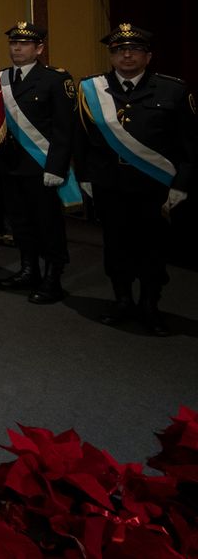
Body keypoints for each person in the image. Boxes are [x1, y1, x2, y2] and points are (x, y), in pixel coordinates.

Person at [76, 23, 196, 336]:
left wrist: (181, 184)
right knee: (116, 246)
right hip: (110, 185)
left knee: (152, 248)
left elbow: (190, 146)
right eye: (118, 50)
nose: (126, 55)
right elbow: (83, 141)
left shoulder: (173, 90)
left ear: (148, 56)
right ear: (111, 56)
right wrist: (86, 176)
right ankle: (122, 300)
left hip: (153, 187)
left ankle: (149, 304)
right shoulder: (92, 89)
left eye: (135, 50)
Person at [0, 22, 74, 304]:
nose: (17, 48)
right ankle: (29, 269)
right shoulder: (1, 78)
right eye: (14, 43)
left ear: (39, 48)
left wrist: (56, 167)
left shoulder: (55, 79)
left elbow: (64, 130)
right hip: (10, 166)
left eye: (24, 44)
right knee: (20, 223)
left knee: (48, 224)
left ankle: (53, 277)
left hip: (42, 167)